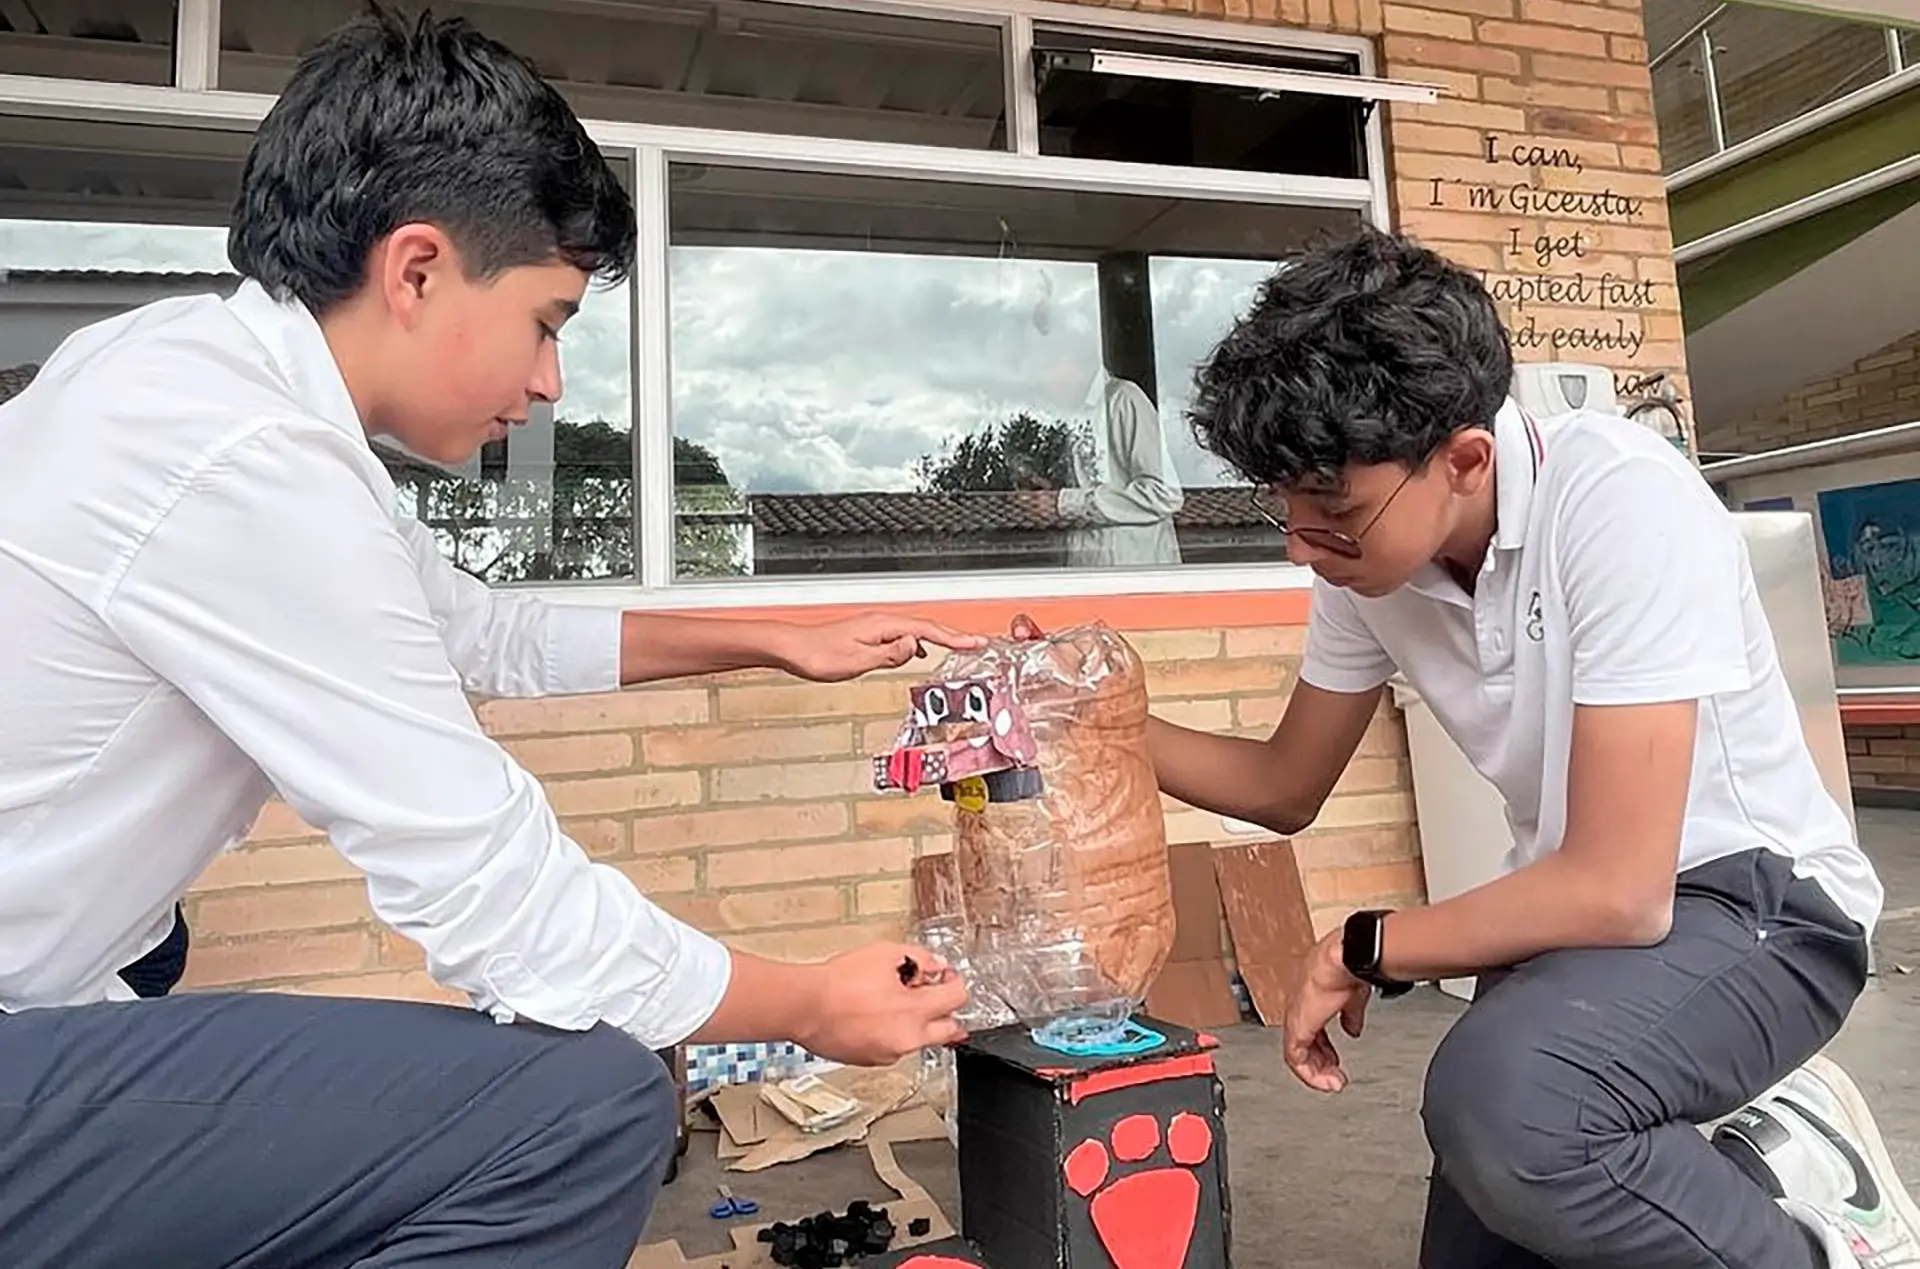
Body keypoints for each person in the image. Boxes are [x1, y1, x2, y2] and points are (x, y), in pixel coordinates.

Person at [0, 9, 977, 1268]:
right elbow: (497, 902)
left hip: (59, 959)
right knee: (585, 1106)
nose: (551, 381)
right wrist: (807, 1003)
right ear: (416, 270)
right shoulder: (245, 461)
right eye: (549, 320)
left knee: (156, 949)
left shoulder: (188, 373)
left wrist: (780, 637)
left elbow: (478, 632)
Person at [1145, 226, 1919, 1269]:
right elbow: (1284, 786)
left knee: (1513, 1109)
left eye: (1331, 515)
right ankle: (1756, 1175)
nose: (1302, 547)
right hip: (1572, 919)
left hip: (1761, 907)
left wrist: (1366, 942)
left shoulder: (1621, 504)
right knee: (1496, 1209)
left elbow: (1622, 888)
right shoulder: (1365, 573)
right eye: (1281, 511)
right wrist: (1094, 726)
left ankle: (1817, 1245)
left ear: (1464, 459)